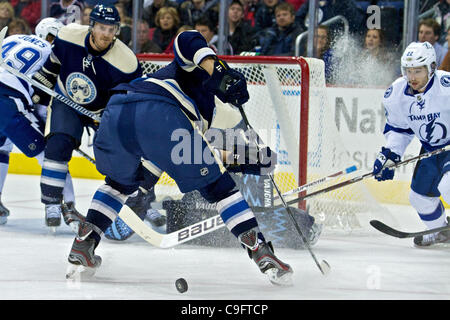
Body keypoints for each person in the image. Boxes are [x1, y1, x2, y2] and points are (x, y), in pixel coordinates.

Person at [66, 30, 294, 286]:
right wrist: (220, 72)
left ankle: (83, 245)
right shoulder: (191, 69)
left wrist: (255, 160)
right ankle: (260, 250)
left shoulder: (211, 111)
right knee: (221, 190)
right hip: (159, 114)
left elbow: (195, 156)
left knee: (119, 185)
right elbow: (186, 39)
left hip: (117, 111)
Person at [33, 4, 142, 229]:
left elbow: (126, 101)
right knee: (58, 143)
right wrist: (39, 99)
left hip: (104, 112)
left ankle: (139, 203)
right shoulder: (68, 36)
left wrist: (109, 119)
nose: (106, 34)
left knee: (120, 157)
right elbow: (51, 68)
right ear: (91, 25)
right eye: (102, 28)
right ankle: (52, 202)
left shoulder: (126, 61)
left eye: (112, 29)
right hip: (66, 100)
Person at [0, 17, 81, 229]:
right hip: (7, 103)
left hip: (6, 101)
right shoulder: (52, 55)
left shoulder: (14, 37)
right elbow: (43, 105)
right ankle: (68, 206)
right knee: (51, 154)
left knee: (1, 148)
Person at [372, 41, 450, 247]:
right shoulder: (397, 94)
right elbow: (399, 129)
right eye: (408, 71)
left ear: (431, 68)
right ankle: (440, 230)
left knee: (448, 186)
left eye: (418, 71)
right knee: (419, 197)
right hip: (432, 149)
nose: (413, 77)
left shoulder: (446, 86)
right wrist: (390, 155)